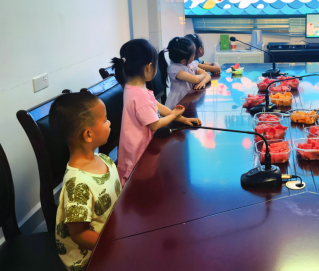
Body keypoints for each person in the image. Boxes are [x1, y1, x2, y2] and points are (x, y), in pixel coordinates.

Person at [112, 39, 201, 186]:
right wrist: (174, 115)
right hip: (139, 152)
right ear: (149, 67)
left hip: (135, 147)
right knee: (139, 185)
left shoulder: (133, 87)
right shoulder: (139, 94)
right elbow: (155, 124)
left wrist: (182, 119)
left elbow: (156, 105)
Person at [49, 92, 120, 270]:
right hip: (89, 258)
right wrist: (117, 245)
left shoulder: (105, 159)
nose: (109, 123)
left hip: (113, 234)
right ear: (88, 135)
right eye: (105, 120)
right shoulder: (78, 184)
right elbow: (79, 234)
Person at [160, 37, 212, 110]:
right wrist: (202, 74)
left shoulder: (190, 64)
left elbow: (208, 76)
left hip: (190, 98)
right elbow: (195, 79)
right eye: (193, 55)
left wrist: (203, 82)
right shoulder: (174, 69)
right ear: (183, 61)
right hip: (178, 102)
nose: (194, 57)